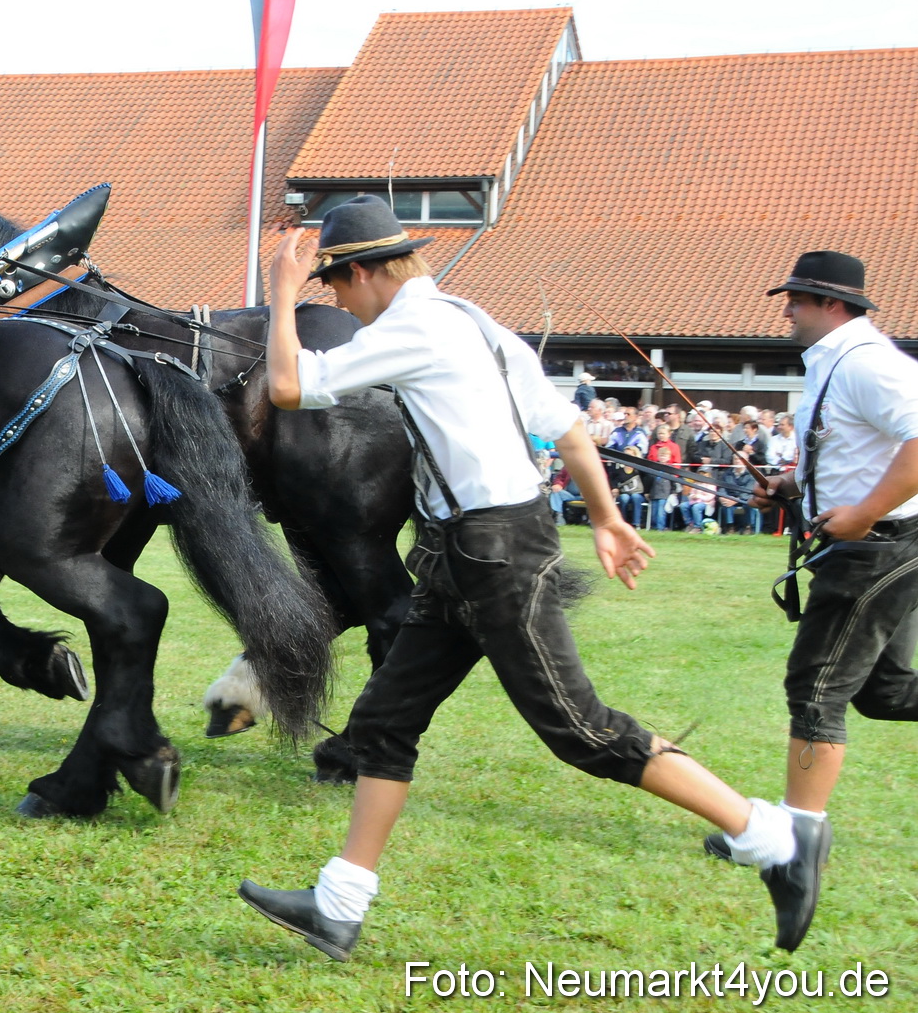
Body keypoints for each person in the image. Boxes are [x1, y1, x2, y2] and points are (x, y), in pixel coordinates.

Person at [237, 196, 799, 961]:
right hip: (468, 550)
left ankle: (770, 837)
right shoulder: (472, 318)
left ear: (362, 270)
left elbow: (288, 386)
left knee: (580, 729)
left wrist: (278, 292)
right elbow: (566, 427)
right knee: (383, 722)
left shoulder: (413, 326)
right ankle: (338, 904)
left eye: (333, 286)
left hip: (490, 550)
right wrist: (604, 517)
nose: (335, 301)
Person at [709, 251, 918, 948]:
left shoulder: (864, 362)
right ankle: (789, 832)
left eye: (793, 300)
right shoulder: (835, 362)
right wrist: (795, 487)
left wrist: (860, 512)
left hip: (880, 546)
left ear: (829, 303)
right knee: (885, 692)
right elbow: (853, 448)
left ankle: (795, 843)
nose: (785, 311)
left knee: (816, 687)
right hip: (882, 540)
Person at [646, 424, 683, 531]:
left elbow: (677, 463)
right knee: (654, 510)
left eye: (663, 433)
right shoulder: (653, 447)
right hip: (655, 479)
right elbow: (650, 462)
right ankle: (653, 527)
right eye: (659, 434)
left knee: (661, 510)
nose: (661, 436)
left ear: (669, 434)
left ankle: (661, 528)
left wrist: (672, 479)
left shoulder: (674, 447)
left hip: (667, 478)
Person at [717, 458, 759, 534]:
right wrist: (722, 497)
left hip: (745, 499)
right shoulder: (727, 474)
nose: (737, 461)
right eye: (735, 459)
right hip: (730, 498)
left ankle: (748, 527)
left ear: (746, 461)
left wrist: (736, 500)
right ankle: (730, 527)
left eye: (740, 459)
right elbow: (722, 487)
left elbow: (749, 491)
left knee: (750, 504)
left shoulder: (751, 474)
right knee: (726, 504)